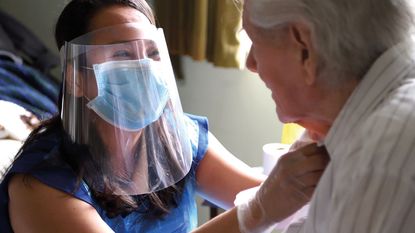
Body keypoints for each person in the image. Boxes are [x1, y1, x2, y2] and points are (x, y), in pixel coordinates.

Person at [0, 0, 330, 233]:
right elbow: (264, 203)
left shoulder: (179, 138)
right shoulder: (41, 184)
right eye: (122, 54)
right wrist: (257, 211)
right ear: (75, 77)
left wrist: (318, 131)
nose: (145, 69)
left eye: (153, 53)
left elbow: (278, 194)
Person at [197, 0, 415, 232]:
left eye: (255, 41)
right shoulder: (354, 122)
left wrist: (259, 210)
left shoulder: (380, 161)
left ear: (304, 49)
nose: (251, 63)